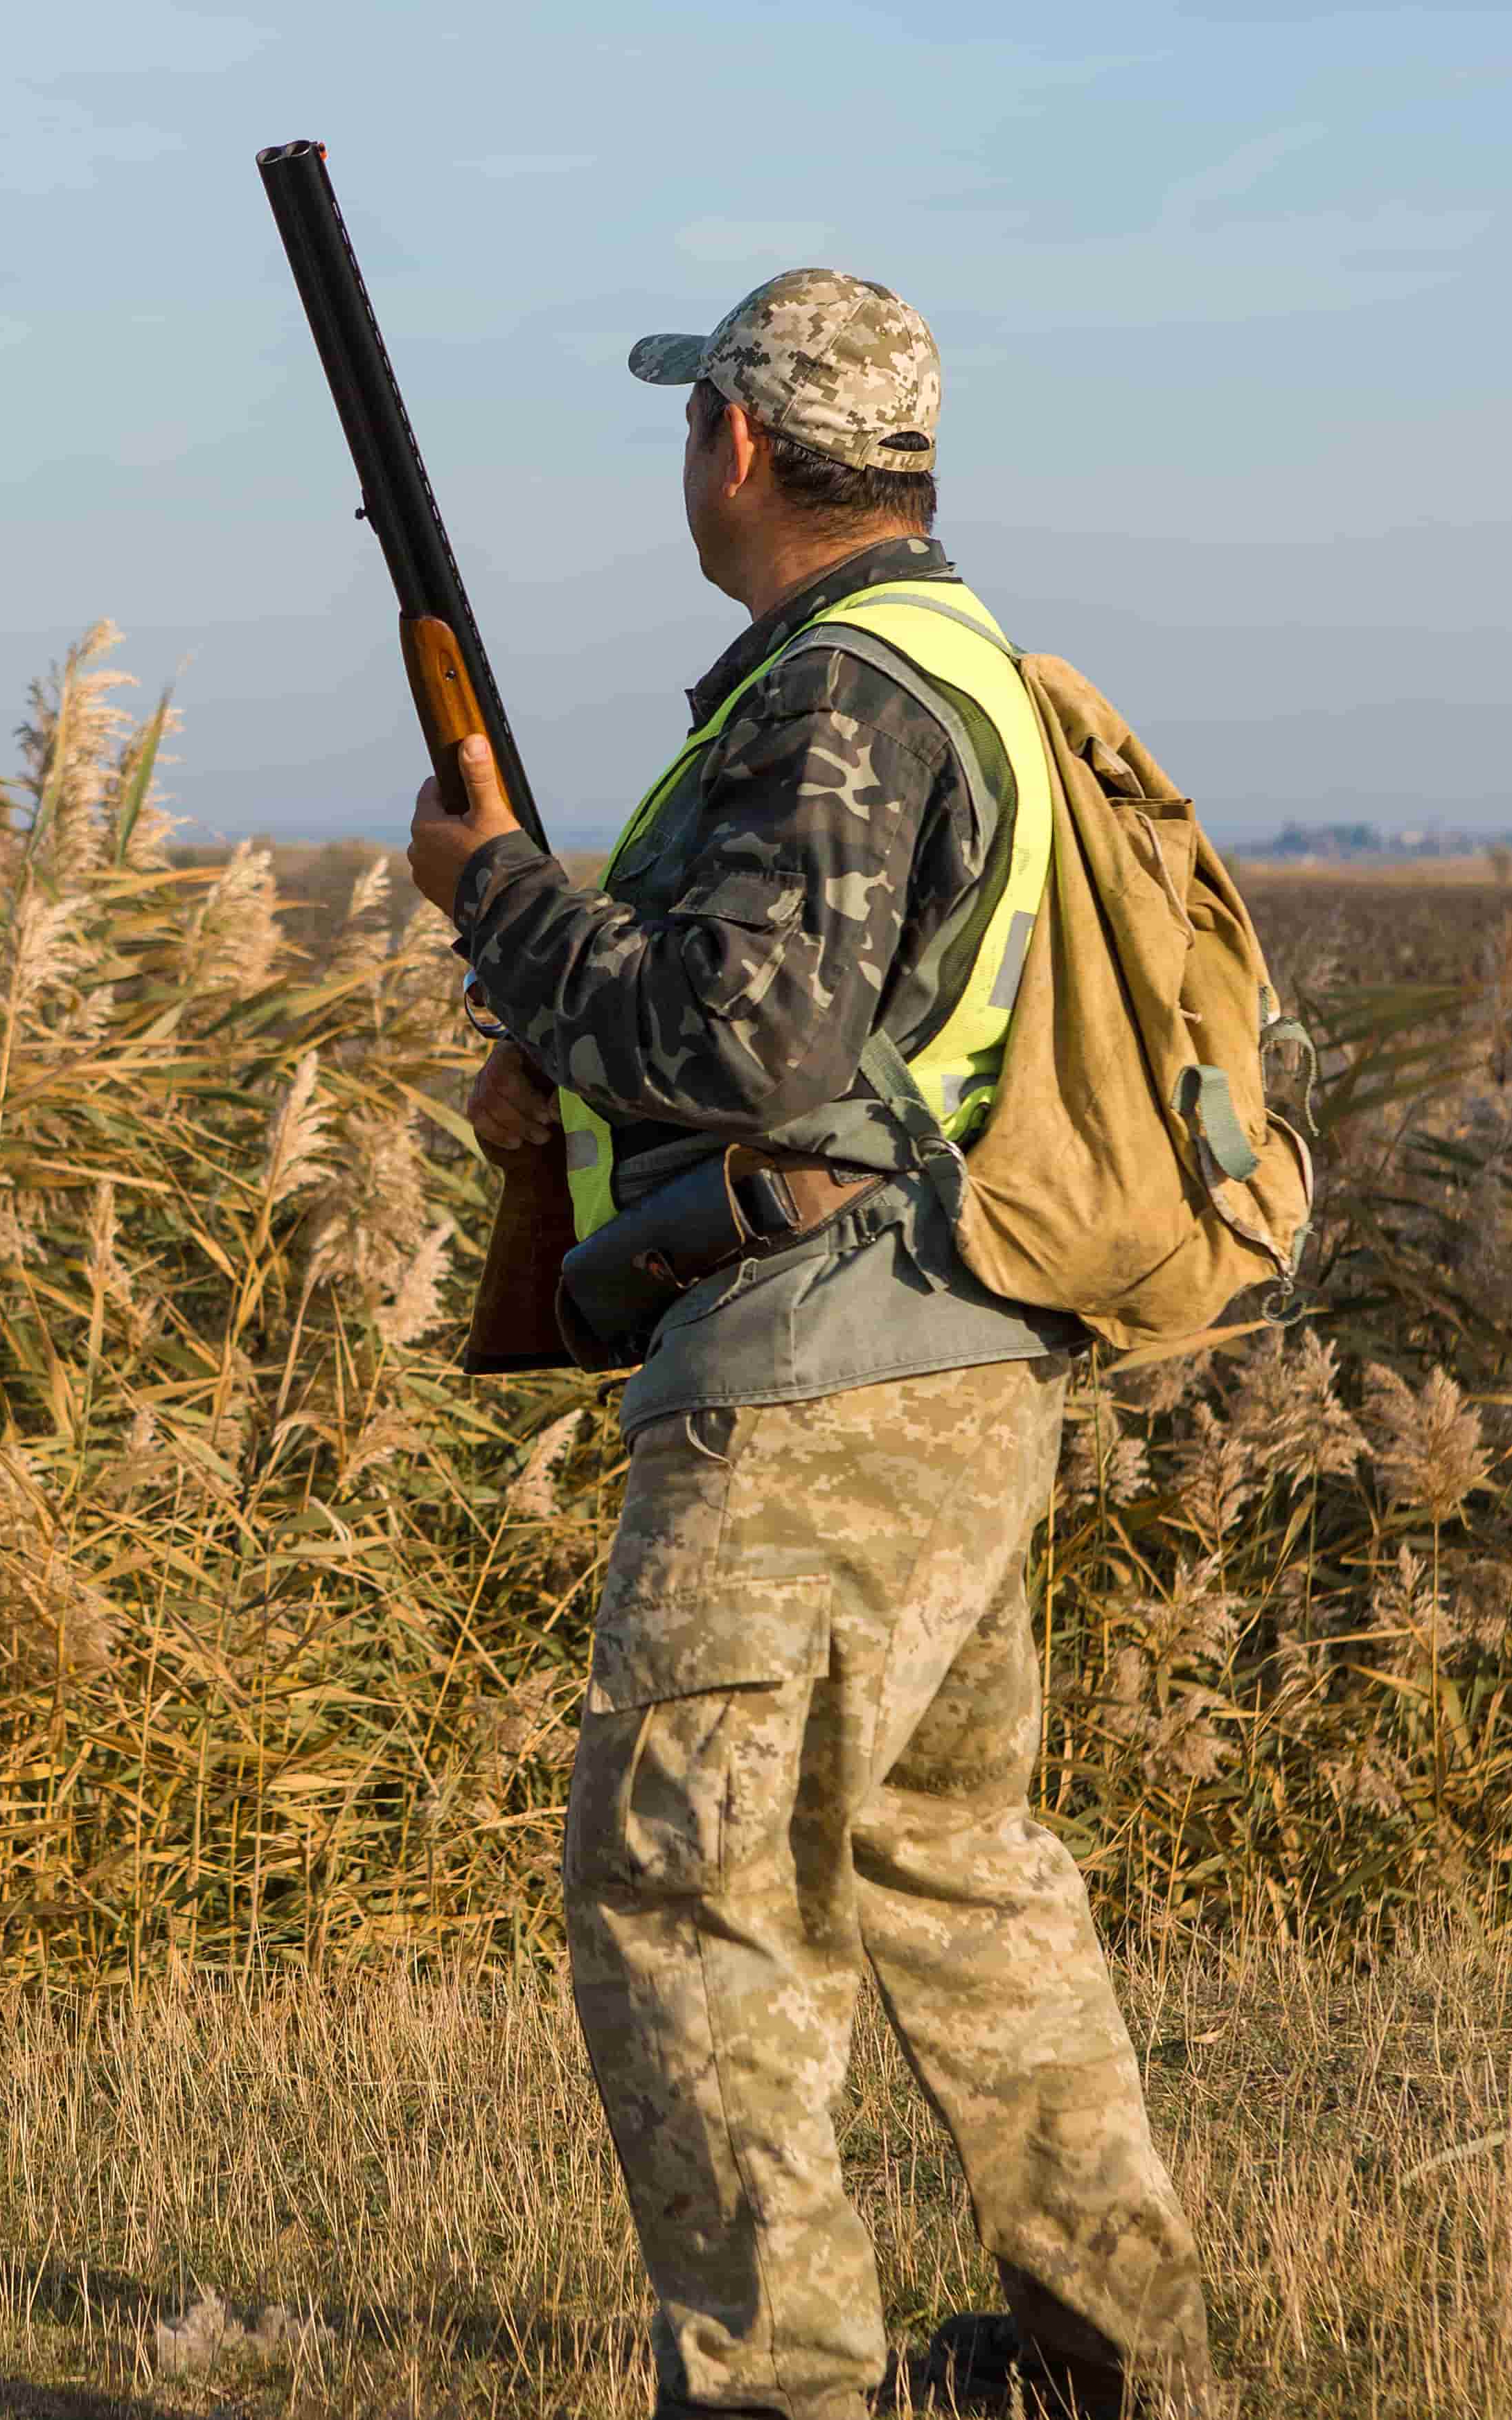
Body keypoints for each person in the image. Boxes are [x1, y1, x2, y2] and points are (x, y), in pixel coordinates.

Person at [402, 270, 1218, 2419]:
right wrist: (568, 1087)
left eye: (692, 430)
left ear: (739, 448)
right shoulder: (969, 666)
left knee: (696, 1901)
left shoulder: (840, 693)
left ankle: (781, 2398)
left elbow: (749, 1039)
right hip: (961, 1362)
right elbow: (844, 1034)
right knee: (954, 1870)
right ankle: (1107, 2362)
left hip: (821, 1398)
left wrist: (496, 896)